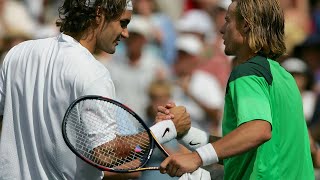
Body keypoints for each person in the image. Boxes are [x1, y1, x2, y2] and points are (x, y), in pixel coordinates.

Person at [0, 0, 191, 179]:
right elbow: (105, 153)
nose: (125, 33)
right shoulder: (94, 72)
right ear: (99, 14)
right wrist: (166, 129)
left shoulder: (17, 53)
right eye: (123, 23)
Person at [157, 0, 315, 179]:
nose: (222, 29)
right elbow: (241, 149)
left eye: (228, 20)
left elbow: (258, 130)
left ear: (246, 25)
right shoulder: (285, 77)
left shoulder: (247, 72)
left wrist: (196, 158)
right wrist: (184, 133)